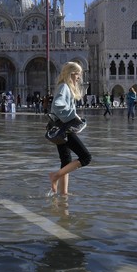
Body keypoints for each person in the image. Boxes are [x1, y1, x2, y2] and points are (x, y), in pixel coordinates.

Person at [47, 62, 91, 197]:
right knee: (85, 157)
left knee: (66, 160)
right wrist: (73, 116)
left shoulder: (65, 87)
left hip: (59, 126)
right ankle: (55, 176)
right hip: (63, 127)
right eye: (78, 74)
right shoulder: (64, 87)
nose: (79, 77)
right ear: (72, 74)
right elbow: (58, 105)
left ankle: (63, 194)